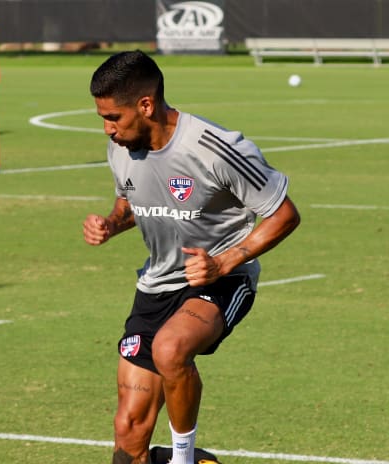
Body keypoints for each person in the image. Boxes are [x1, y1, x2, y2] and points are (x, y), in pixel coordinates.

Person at [83, 50, 301, 464]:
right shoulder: (121, 146)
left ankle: (183, 458)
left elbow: (284, 214)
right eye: (103, 119)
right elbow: (130, 202)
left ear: (146, 105)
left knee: (170, 350)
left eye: (113, 117)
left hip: (220, 280)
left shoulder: (216, 148)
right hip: (156, 285)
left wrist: (225, 262)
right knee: (128, 441)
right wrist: (112, 223)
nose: (108, 129)